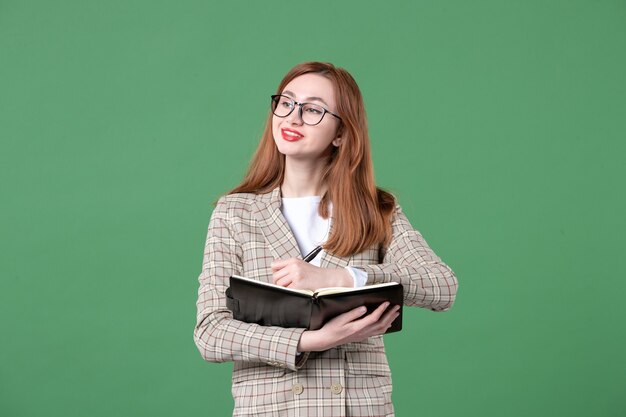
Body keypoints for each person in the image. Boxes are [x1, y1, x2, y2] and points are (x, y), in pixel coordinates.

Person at [193, 61, 458, 417]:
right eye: (286, 102)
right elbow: (211, 332)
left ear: (341, 133)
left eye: (313, 109)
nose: (293, 117)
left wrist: (346, 278)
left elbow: (443, 287)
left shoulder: (376, 210)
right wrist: (309, 341)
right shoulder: (236, 212)